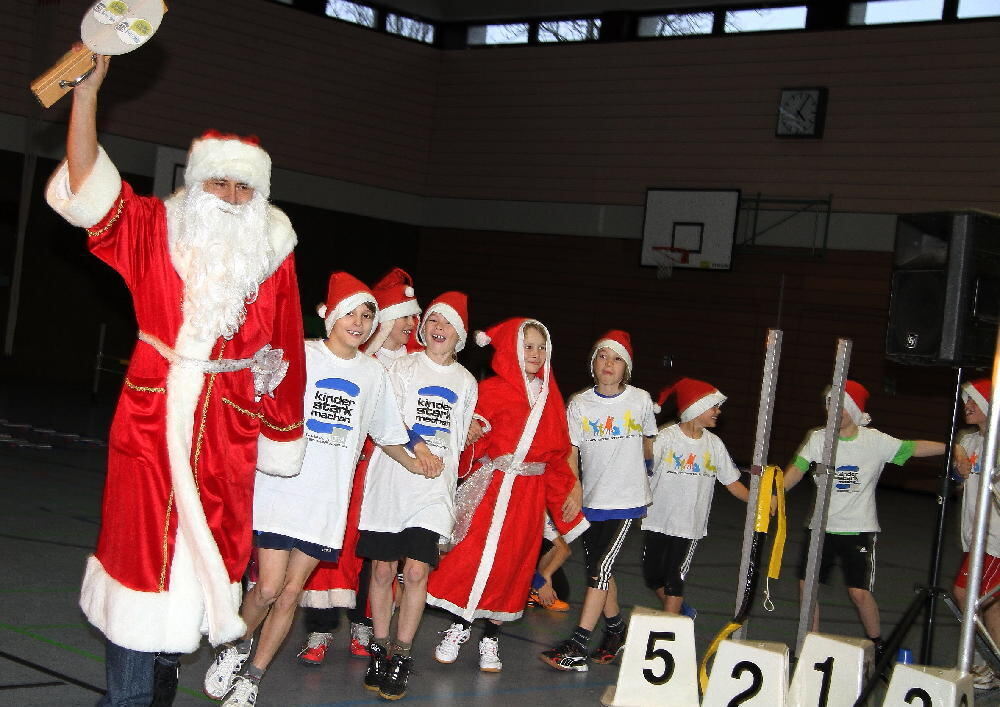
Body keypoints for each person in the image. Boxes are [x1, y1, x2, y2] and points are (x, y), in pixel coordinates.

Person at [45, 53, 307, 705]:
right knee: (140, 578)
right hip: (149, 430)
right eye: (221, 184)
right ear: (197, 183)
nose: (232, 198)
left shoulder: (271, 255)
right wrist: (85, 99)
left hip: (225, 441)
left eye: (244, 189)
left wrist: (276, 431)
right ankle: (130, 695)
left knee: (195, 580)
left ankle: (153, 682)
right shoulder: (154, 231)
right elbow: (89, 188)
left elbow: (283, 356)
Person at [203, 273, 441, 707]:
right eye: (350, 312)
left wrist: (419, 464)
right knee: (268, 588)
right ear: (330, 316)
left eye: (367, 315)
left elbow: (388, 433)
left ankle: (253, 678)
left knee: (294, 590)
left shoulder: (371, 374)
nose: (358, 322)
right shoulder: (301, 356)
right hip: (282, 488)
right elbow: (256, 395)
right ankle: (235, 648)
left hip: (327, 500)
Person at [427, 318, 587, 672]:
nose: (535, 353)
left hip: (528, 495)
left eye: (541, 347)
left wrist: (569, 493)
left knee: (512, 564)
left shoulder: (551, 400)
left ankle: (490, 638)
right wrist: (472, 433)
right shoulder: (493, 389)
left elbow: (557, 456)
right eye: (527, 346)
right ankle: (459, 626)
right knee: (474, 556)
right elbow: (479, 429)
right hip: (494, 487)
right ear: (512, 349)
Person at [356, 292, 478, 699]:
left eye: (447, 323)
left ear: (458, 334)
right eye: (433, 321)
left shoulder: (466, 382)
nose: (438, 328)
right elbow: (385, 419)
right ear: (423, 330)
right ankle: (379, 645)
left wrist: (449, 481)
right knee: (382, 572)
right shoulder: (402, 368)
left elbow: (458, 441)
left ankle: (401, 655)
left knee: (418, 572)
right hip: (391, 483)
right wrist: (417, 447)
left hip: (432, 491)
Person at [296, 267, 421, 665]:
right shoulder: (355, 359)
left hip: (390, 471)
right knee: (329, 543)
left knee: (375, 553)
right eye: (401, 315)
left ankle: (364, 624)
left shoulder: (416, 364)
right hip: (345, 467)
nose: (410, 324)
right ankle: (320, 626)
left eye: (411, 315)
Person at [783, 380, 945, 654]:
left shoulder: (874, 441)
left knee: (858, 592)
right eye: (830, 404)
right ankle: (809, 642)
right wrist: (774, 495)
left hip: (858, 529)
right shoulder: (818, 438)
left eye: (841, 406)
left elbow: (913, 448)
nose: (834, 411)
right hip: (820, 529)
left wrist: (950, 447)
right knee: (807, 588)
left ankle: (877, 642)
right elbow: (797, 470)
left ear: (854, 410)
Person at [541, 330, 658, 672]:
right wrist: (575, 488)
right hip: (593, 501)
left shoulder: (639, 400)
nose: (609, 364)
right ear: (593, 363)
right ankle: (617, 630)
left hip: (627, 500)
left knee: (600, 571)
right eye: (603, 357)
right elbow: (571, 452)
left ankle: (578, 643)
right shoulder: (579, 404)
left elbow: (649, 445)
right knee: (599, 570)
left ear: (627, 368)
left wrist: (653, 474)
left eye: (617, 358)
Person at [640, 378, 752, 617]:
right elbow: (646, 462)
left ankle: (667, 627)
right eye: (714, 407)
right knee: (652, 576)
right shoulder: (667, 438)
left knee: (674, 579)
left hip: (688, 526)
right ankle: (680, 611)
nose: (718, 412)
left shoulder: (714, 445)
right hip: (657, 519)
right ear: (697, 408)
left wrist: (759, 503)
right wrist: (645, 435)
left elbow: (732, 483)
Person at [952, 378, 1000, 690]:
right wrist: (958, 462)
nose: (967, 407)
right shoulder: (969, 442)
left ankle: (992, 662)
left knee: (965, 594)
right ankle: (991, 664)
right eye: (966, 400)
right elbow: (960, 478)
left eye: (974, 402)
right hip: (975, 536)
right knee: (990, 604)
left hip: (996, 540)